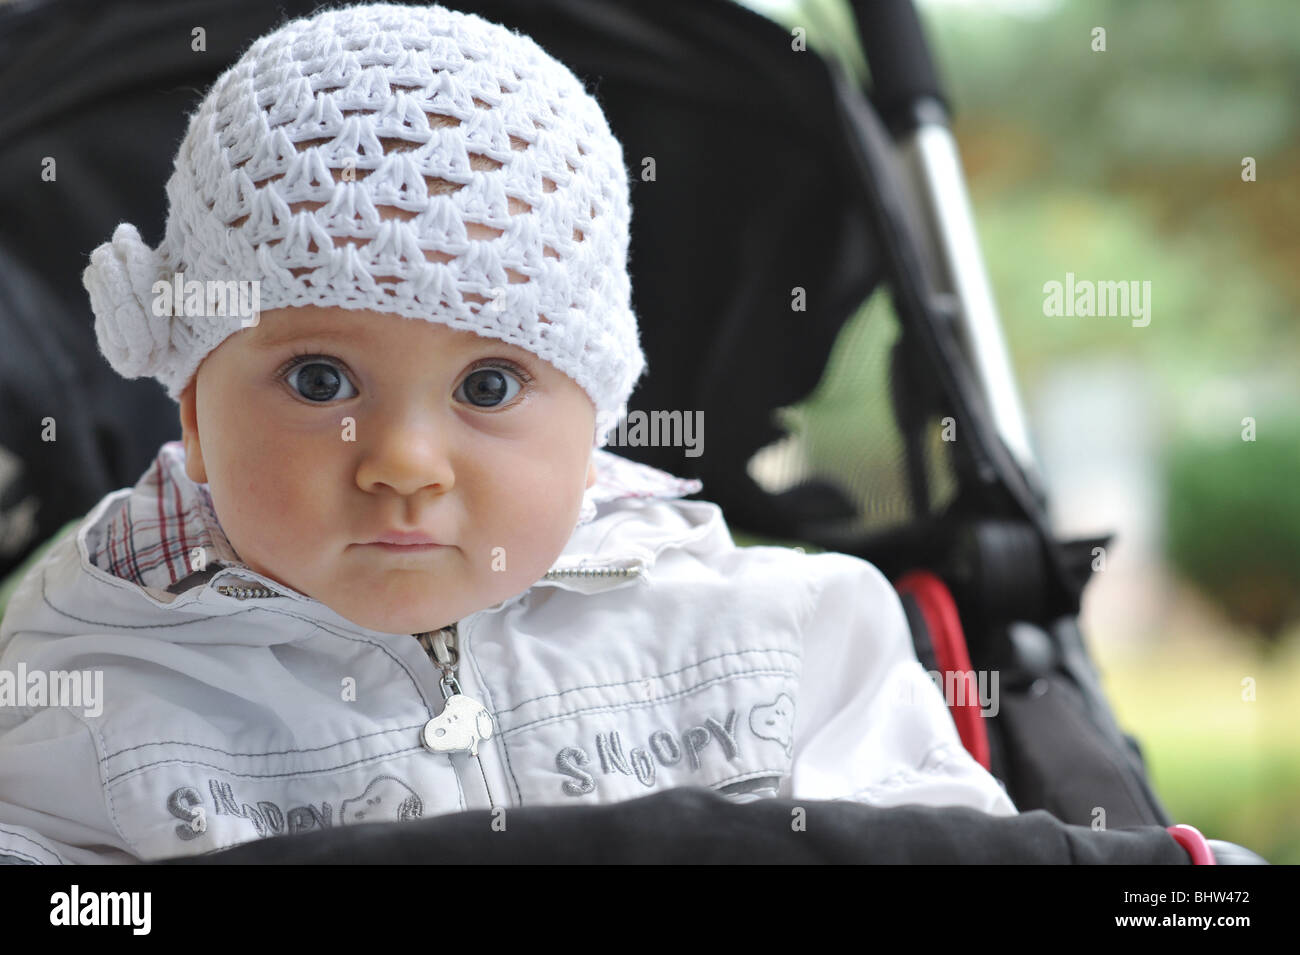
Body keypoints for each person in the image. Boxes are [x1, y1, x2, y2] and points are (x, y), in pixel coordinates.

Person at [0, 2, 1015, 865]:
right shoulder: (88, 677)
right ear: (193, 409)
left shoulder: (777, 639)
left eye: (489, 383)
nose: (402, 459)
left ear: (596, 413)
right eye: (320, 379)